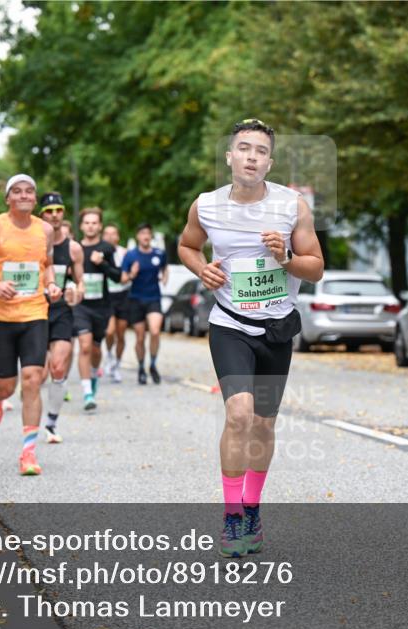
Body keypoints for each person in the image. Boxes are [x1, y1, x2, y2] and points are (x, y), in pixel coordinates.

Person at [178, 118, 324, 557]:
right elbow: (187, 246)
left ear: (269, 161)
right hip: (230, 324)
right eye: (244, 148)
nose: (251, 157)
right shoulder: (205, 206)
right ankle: (231, 517)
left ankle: (252, 507)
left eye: (260, 151)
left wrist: (286, 257)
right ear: (230, 156)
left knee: (263, 423)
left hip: (276, 328)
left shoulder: (291, 205)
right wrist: (200, 267)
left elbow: (315, 267)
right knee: (239, 414)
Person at [0, 174, 62, 476]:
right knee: (6, 385)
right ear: (8, 199)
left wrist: (53, 284)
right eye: (17, 192)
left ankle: (28, 453)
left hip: (34, 312)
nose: (24, 196)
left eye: (29, 191)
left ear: (34, 198)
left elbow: (47, 265)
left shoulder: (45, 230)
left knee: (33, 377)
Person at [39, 192, 84, 443]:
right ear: (41, 215)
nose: (55, 215)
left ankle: (51, 424)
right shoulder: (33, 244)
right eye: (49, 210)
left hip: (62, 312)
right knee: (36, 373)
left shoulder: (73, 248)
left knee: (57, 367)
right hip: (35, 311)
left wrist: (76, 292)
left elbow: (82, 284)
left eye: (58, 210)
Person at [72, 207, 123, 410]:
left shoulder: (107, 248)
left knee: (95, 348)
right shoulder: (74, 248)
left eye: (94, 222)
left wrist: (101, 263)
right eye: (87, 222)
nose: (91, 226)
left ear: (100, 226)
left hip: (102, 307)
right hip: (81, 306)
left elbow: (118, 276)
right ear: (81, 226)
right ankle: (87, 393)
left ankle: (93, 376)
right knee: (84, 346)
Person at [121, 223, 167, 385]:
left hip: (153, 298)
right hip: (136, 299)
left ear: (151, 236)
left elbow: (164, 267)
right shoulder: (131, 256)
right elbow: (123, 279)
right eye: (142, 233)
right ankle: (141, 367)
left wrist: (165, 277)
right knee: (140, 338)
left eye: (148, 233)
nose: (146, 236)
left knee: (155, 332)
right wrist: (132, 274)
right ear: (138, 237)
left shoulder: (159, 253)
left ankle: (153, 364)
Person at [102, 224, 130, 382]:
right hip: (108, 296)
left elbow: (128, 274)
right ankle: (110, 355)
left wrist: (130, 275)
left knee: (121, 333)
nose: (110, 237)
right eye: (107, 234)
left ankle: (117, 365)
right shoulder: (99, 253)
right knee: (109, 331)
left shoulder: (124, 253)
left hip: (124, 295)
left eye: (113, 234)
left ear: (118, 236)